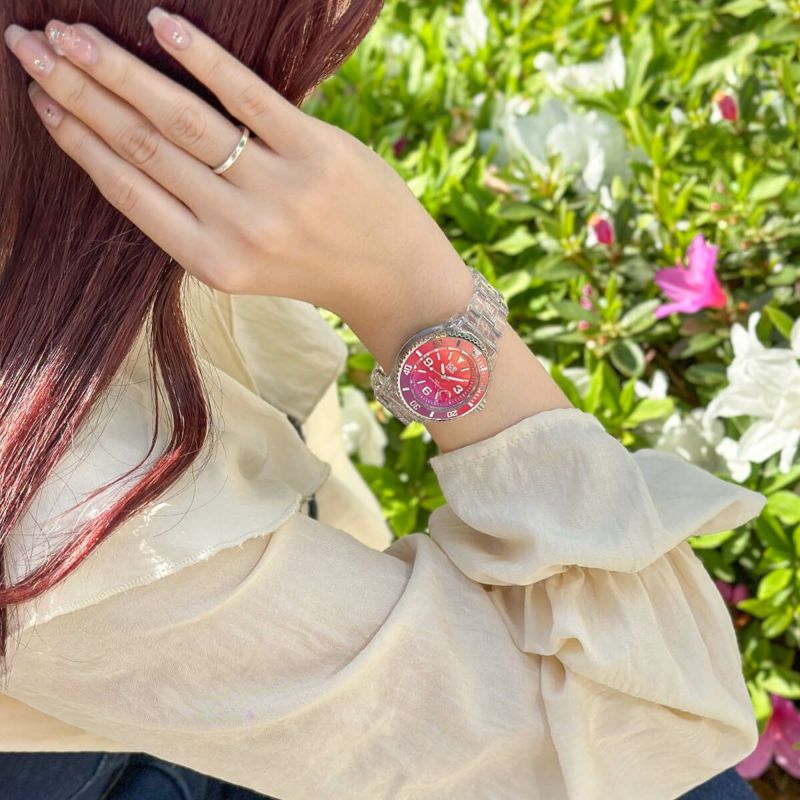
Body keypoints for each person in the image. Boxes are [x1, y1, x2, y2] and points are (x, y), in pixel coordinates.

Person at [0, 3, 766, 798]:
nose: (316, 75)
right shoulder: (69, 489)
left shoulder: (76, 213)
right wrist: (414, 290)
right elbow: (654, 745)